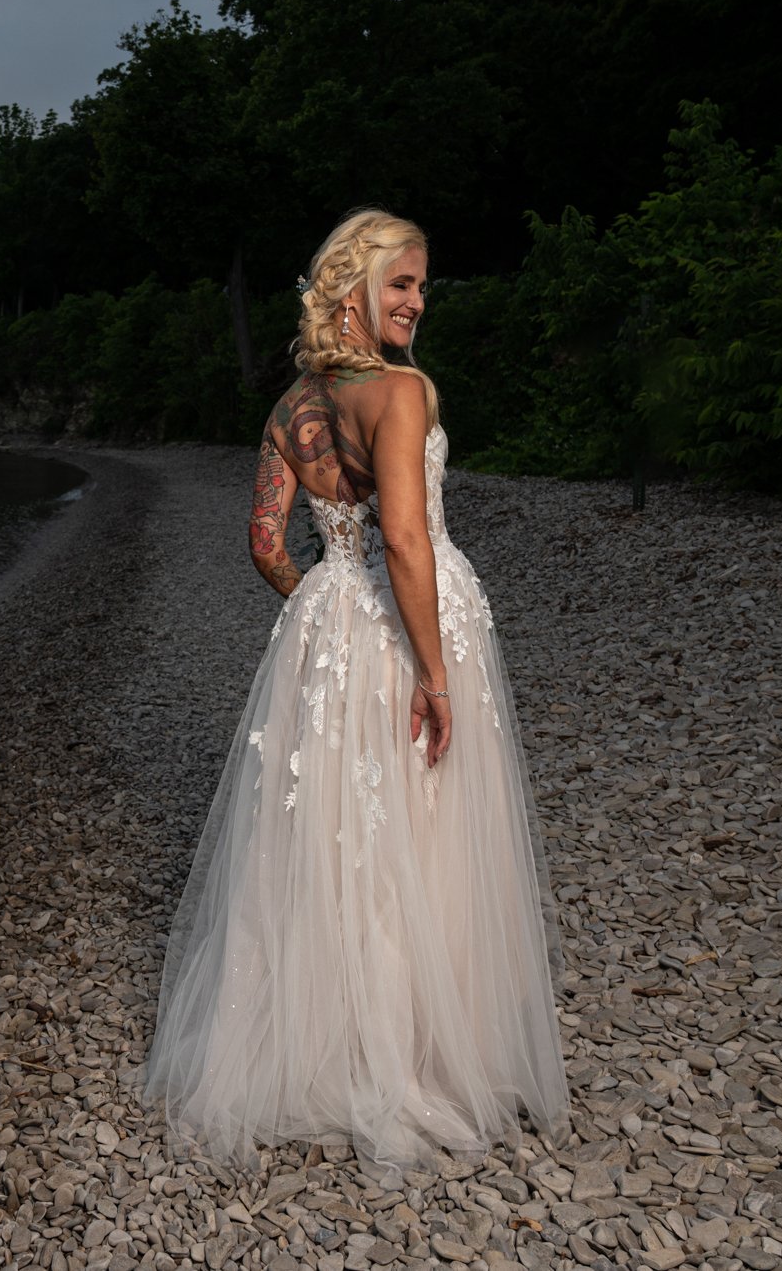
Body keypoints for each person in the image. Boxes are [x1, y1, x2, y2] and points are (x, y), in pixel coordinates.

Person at [142, 209, 570, 1171]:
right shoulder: (401, 391)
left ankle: (325, 1046)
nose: (418, 301)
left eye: (422, 285)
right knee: (421, 826)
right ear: (354, 289)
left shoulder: (289, 408)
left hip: (330, 624)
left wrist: (326, 604)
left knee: (339, 834)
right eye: (402, 283)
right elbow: (408, 540)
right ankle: (417, 1052)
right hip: (411, 623)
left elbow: (263, 543)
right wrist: (433, 672)